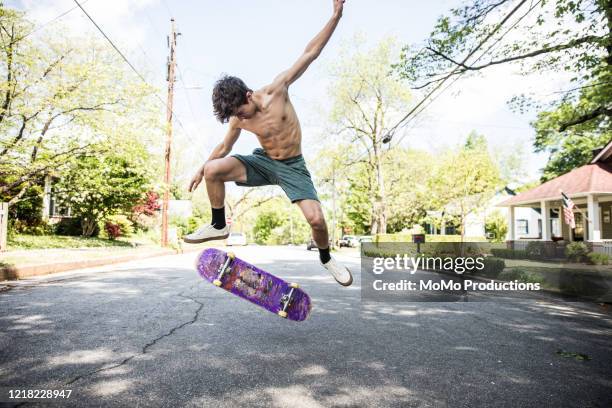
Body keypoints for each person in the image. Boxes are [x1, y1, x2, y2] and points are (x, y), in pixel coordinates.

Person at [184, 0, 352, 286]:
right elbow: (224, 147)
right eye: (234, 116)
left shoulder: (278, 90)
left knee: (316, 220)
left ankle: (326, 258)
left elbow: (311, 53)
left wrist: (335, 15)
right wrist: (202, 169)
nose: (238, 118)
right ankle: (218, 225)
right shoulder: (238, 119)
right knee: (214, 169)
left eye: (239, 111)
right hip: (263, 162)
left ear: (249, 95)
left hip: (292, 166)